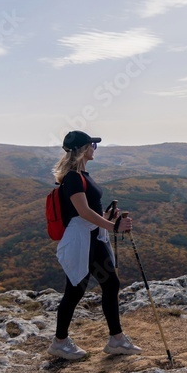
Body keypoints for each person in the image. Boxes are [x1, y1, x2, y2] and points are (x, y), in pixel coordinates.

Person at [47, 130, 142, 360]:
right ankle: (59, 342)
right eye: (93, 145)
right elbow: (82, 212)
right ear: (83, 149)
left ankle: (116, 339)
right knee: (75, 291)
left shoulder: (81, 175)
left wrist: (107, 216)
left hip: (93, 238)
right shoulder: (72, 178)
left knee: (110, 284)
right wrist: (114, 227)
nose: (94, 149)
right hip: (82, 241)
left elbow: (89, 211)